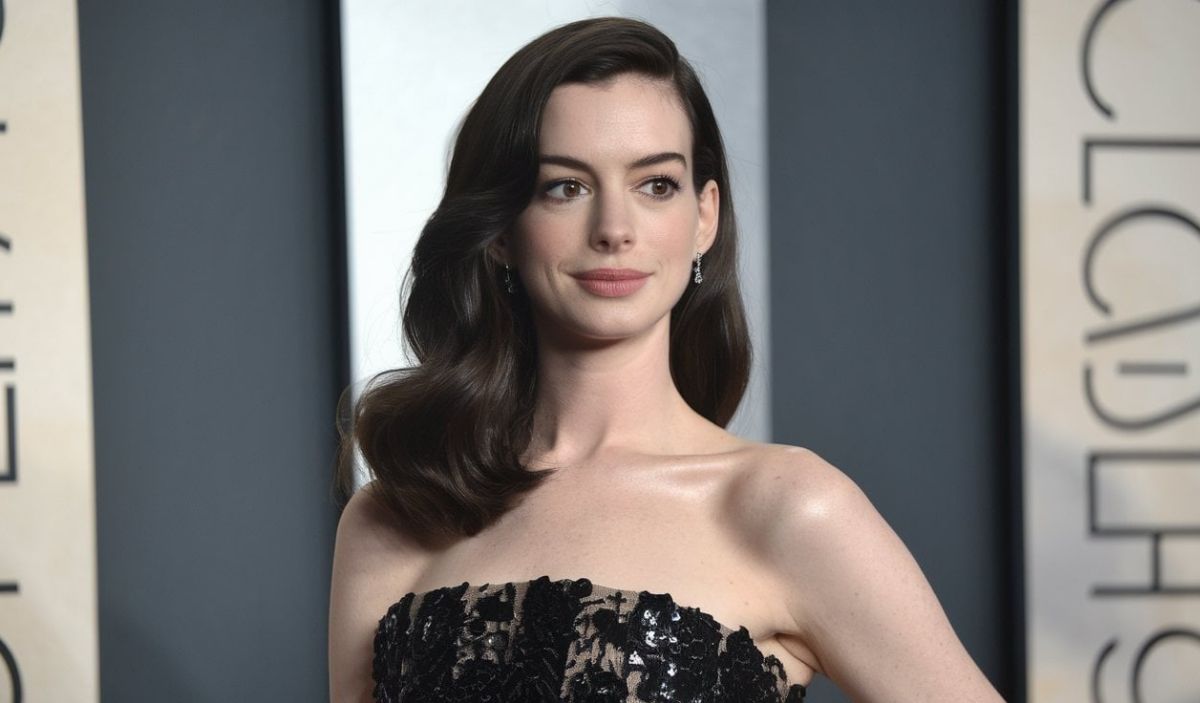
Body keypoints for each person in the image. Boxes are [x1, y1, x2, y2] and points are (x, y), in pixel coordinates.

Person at [328, 16, 1004, 703]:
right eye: (565, 186)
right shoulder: (396, 514)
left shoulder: (787, 508)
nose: (614, 230)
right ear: (501, 230)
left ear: (704, 215)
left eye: (655, 185)